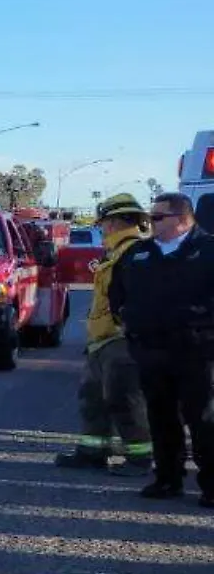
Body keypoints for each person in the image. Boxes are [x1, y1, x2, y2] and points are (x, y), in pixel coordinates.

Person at [108, 191, 214, 505]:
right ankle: (168, 479)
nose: (150, 223)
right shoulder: (139, 253)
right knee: (161, 416)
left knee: (204, 418)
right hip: (151, 349)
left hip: (197, 351)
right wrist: (126, 316)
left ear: (182, 219)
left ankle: (211, 485)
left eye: (157, 217)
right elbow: (117, 292)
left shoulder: (208, 250)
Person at [54, 194, 152, 475]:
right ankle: (92, 451)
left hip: (121, 340)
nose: (103, 227)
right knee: (92, 398)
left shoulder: (136, 252)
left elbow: (138, 298)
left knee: (125, 400)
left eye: (106, 222)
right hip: (102, 340)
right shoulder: (115, 251)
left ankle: (139, 458)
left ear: (119, 221)